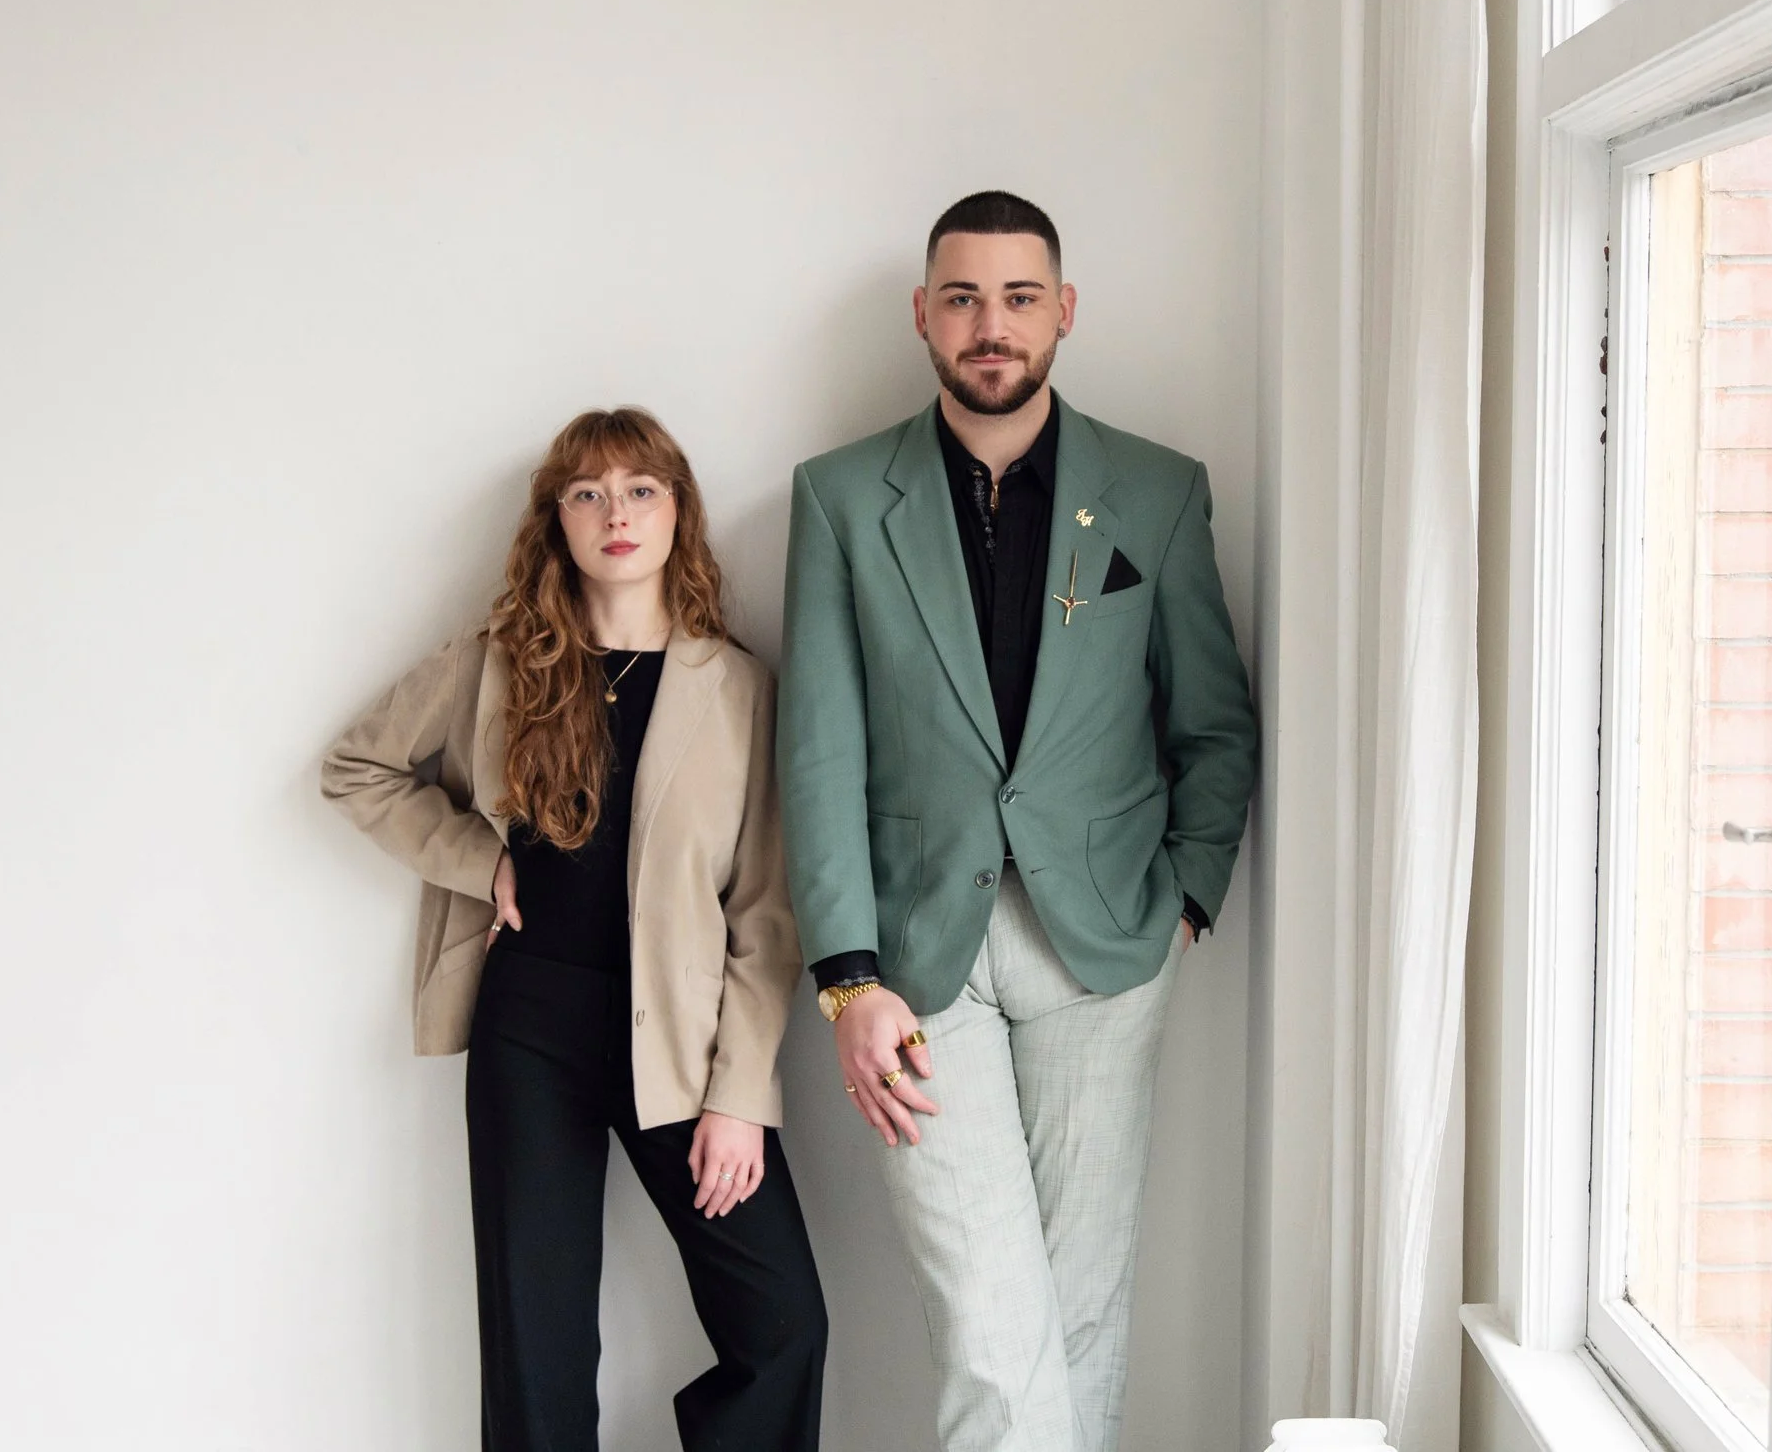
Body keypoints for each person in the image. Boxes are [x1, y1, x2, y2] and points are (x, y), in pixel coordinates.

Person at [779, 191, 1260, 1452]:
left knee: (1081, 1310)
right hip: (913, 961)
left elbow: (1212, 720)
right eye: (962, 298)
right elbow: (818, 750)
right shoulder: (841, 497)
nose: (990, 325)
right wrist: (847, 978)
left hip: (1103, 944)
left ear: (1063, 310)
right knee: (992, 1332)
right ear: (922, 315)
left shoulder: (1156, 491)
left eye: (1017, 297)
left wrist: (1186, 899)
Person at [322, 407, 825, 1452]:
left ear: (678, 511)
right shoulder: (500, 663)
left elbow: (765, 914)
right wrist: (479, 858)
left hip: (681, 1043)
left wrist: (741, 1096)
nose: (615, 513)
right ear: (557, 519)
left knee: (783, 1325)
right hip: (531, 1030)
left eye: (641, 489)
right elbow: (357, 767)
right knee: (536, 1353)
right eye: (587, 493)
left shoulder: (737, 687)